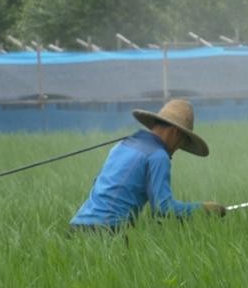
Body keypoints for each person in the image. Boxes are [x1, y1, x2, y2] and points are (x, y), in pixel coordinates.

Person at [70, 99, 225, 231]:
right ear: (175, 133)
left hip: (77, 225)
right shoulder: (158, 156)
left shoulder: (122, 145)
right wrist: (204, 209)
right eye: (182, 143)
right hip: (107, 230)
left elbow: (98, 183)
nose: (177, 149)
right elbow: (163, 209)